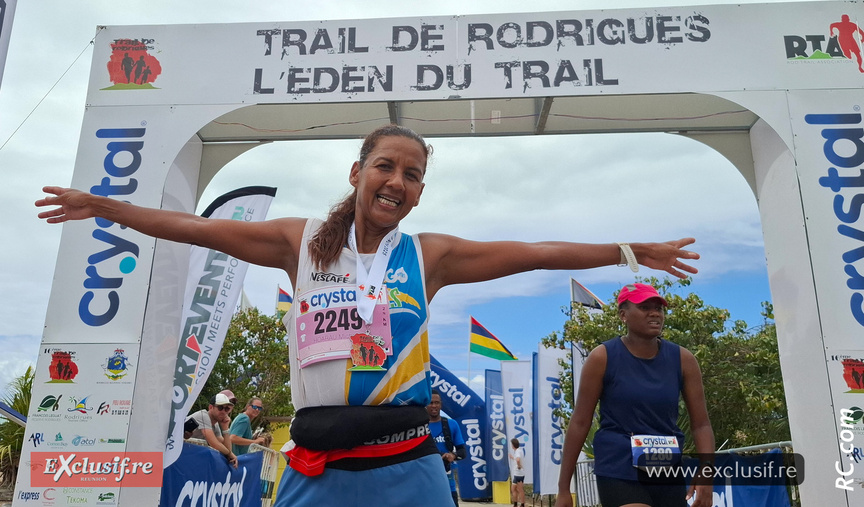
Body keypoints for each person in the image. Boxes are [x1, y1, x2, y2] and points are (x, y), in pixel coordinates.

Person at [36, 124, 700, 506]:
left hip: (409, 468)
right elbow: (192, 228)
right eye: (386, 166)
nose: (398, 182)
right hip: (316, 468)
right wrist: (107, 206)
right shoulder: (296, 242)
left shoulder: (428, 255)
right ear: (357, 171)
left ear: (418, 192)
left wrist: (627, 250)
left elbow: (532, 252)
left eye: (413, 175)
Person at [555, 283, 714, 507]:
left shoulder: (683, 360)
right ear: (623, 315)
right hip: (618, 467)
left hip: (665, 467)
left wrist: (706, 474)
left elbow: (701, 424)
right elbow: (580, 422)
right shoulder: (602, 358)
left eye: (659, 308)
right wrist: (563, 488)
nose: (655, 313)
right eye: (645, 307)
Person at [426, 389, 466, 506]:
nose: (434, 406)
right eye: (431, 402)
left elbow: (462, 451)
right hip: (426, 483)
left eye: (437, 403)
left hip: (448, 484)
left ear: (441, 404)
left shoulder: (451, 424)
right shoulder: (420, 426)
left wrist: (452, 455)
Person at [184, 393, 238, 468]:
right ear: (210, 407)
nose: (223, 411)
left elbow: (225, 447)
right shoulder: (203, 415)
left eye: (227, 409)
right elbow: (214, 444)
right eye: (220, 407)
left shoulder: (215, 424)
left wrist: (225, 428)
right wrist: (230, 454)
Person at [508, 438, 525, 507]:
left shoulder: (518, 451)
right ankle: (516, 503)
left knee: (519, 489)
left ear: (513, 445)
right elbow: (517, 459)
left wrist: (519, 466)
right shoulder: (518, 451)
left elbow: (518, 460)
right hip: (517, 473)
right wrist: (512, 457)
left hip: (519, 473)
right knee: (514, 488)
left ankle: (522, 504)